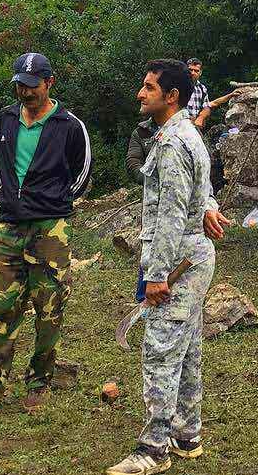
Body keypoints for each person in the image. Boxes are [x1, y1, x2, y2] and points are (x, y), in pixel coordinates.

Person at [0, 52, 93, 419]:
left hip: (51, 227)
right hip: (9, 226)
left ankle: (40, 381)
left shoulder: (69, 125)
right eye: (19, 85)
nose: (24, 92)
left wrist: (58, 203)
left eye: (31, 86)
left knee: (49, 306)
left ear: (49, 83)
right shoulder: (4, 120)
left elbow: (83, 171)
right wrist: (13, 199)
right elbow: (3, 167)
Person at [107, 59, 231, 475]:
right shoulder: (186, 134)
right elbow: (203, 186)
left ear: (171, 95)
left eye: (147, 87)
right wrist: (210, 207)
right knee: (188, 346)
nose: (140, 94)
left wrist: (156, 276)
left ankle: (153, 448)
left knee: (160, 349)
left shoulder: (172, 143)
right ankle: (186, 433)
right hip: (193, 254)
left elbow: (171, 215)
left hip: (177, 259)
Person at [126, 116, 158, 184]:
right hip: (154, 190)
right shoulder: (140, 132)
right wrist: (146, 179)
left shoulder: (183, 125)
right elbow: (134, 159)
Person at [185, 58, 211, 129]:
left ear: (200, 73)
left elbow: (207, 107)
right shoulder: (178, 85)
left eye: (196, 71)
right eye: (190, 70)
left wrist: (201, 118)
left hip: (195, 128)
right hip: (178, 127)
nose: (193, 73)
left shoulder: (202, 88)